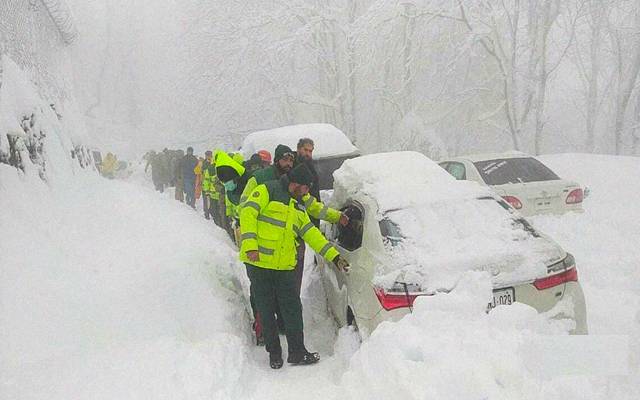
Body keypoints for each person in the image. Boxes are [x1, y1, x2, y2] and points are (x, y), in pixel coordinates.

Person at [240, 164, 350, 369]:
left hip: (284, 268)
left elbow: (312, 234)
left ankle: (297, 352)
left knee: (292, 309)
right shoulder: (267, 190)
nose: (308, 192)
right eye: (306, 188)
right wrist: (250, 246)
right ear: (296, 183)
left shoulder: (298, 206)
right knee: (266, 309)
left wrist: (335, 257)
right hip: (259, 264)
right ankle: (274, 353)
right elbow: (247, 213)